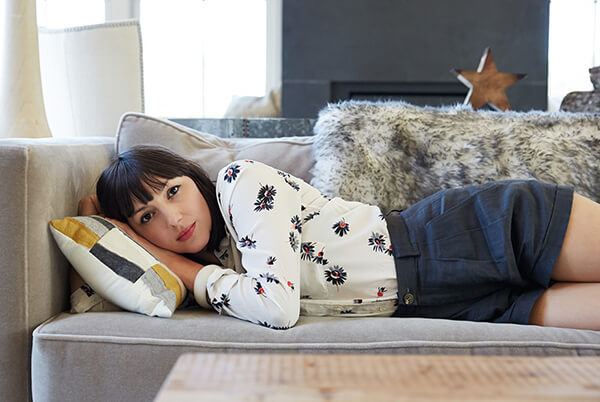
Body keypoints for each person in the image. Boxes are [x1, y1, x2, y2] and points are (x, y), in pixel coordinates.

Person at [75, 145, 600, 331]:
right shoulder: (226, 259)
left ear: (194, 178)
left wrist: (191, 276)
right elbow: (94, 269)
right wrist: (105, 226)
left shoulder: (240, 185)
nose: (172, 217)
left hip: (460, 235)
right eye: (147, 218)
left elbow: (277, 307)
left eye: (172, 190)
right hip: (439, 304)